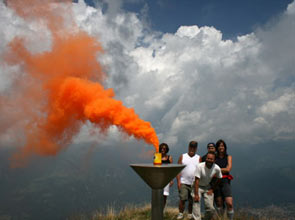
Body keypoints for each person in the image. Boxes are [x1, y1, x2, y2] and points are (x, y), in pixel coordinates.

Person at [192, 152, 223, 220]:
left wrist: (212, 189)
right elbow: (196, 180)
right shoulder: (200, 166)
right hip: (197, 186)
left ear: (214, 160)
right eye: (208, 158)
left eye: (211, 159)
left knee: (210, 208)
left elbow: (220, 178)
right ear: (206, 158)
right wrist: (196, 194)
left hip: (207, 187)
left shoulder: (216, 168)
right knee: (196, 203)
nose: (209, 160)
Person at [176, 141, 201, 220]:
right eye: (191, 146)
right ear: (188, 147)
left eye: (194, 147)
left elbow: (200, 171)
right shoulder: (182, 156)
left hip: (194, 183)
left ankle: (190, 214)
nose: (192, 148)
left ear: (196, 148)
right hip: (183, 182)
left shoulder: (198, 158)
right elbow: (177, 170)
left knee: (191, 200)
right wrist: (178, 182)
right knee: (182, 199)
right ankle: (180, 213)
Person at [214, 139, 234, 220]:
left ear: (225, 147)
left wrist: (217, 169)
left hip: (225, 181)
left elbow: (228, 169)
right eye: (219, 146)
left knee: (229, 203)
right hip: (216, 181)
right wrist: (223, 169)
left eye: (222, 146)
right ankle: (221, 218)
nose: (220, 147)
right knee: (219, 203)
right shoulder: (214, 157)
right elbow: (212, 169)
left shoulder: (228, 157)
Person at [159, 143, 173, 207]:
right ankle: (157, 210)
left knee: (165, 195)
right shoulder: (157, 156)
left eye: (164, 148)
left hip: (166, 178)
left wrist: (171, 180)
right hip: (158, 177)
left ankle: (162, 210)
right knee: (158, 195)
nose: (162, 150)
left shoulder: (169, 157)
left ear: (166, 149)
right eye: (161, 148)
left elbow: (171, 169)